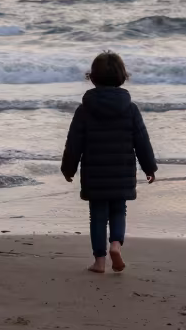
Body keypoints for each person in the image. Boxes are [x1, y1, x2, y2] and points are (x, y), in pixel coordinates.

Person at [61, 50, 157, 273]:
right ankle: (116, 245)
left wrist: (68, 168)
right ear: (122, 77)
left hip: (95, 175)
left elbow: (73, 142)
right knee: (118, 210)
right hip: (122, 171)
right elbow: (142, 140)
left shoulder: (84, 110)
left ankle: (100, 262)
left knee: (97, 215)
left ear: (92, 77)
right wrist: (149, 167)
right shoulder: (130, 109)